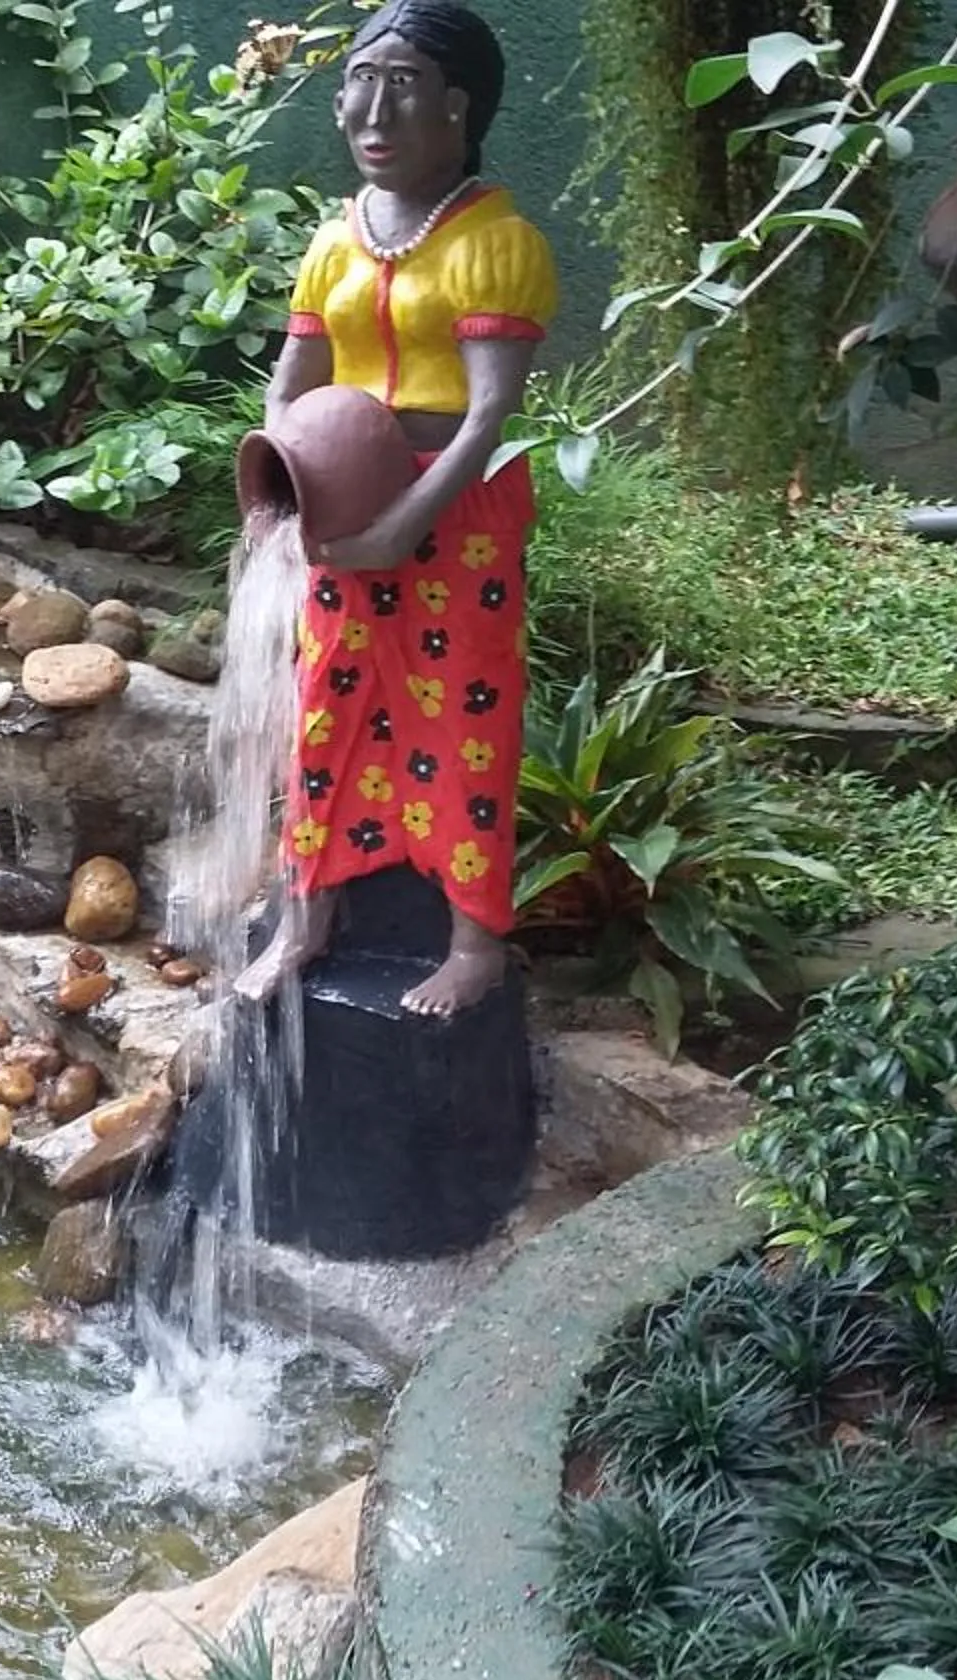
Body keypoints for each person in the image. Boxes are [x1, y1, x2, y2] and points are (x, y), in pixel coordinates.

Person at [232, 0, 556, 1018]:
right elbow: (291, 378)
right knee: (326, 705)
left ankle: (473, 941)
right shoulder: (335, 242)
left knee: (463, 707)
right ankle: (306, 912)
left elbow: (488, 415)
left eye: (405, 84)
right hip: (334, 505)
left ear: (458, 107)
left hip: (454, 518)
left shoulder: (495, 243)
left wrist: (409, 517)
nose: (373, 110)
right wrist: (280, 483)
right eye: (358, 86)